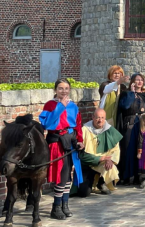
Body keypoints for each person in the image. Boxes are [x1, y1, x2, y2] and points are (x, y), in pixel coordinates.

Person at [39, 78, 84, 220]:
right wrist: (60, 107)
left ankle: (65, 204)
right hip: (57, 142)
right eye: (60, 88)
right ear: (55, 90)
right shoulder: (50, 105)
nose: (63, 91)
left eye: (66, 88)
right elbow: (47, 124)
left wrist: (80, 140)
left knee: (68, 174)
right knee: (61, 175)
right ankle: (56, 206)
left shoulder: (73, 106)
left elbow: (77, 125)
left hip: (70, 141)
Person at [77, 108, 122, 197]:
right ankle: (91, 182)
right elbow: (81, 154)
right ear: (93, 117)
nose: (100, 120)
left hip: (103, 163)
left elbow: (116, 150)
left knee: (111, 167)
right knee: (83, 193)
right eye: (98, 118)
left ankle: (101, 182)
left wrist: (111, 160)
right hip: (88, 164)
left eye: (102, 118)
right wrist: (99, 158)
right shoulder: (85, 130)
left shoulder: (110, 131)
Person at [117, 73, 145, 185]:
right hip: (129, 124)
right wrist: (131, 93)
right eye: (137, 80)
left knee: (140, 149)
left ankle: (138, 175)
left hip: (141, 123)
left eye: (141, 80)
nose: (139, 82)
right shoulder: (126, 93)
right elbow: (125, 106)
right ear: (132, 82)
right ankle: (126, 176)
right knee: (128, 149)